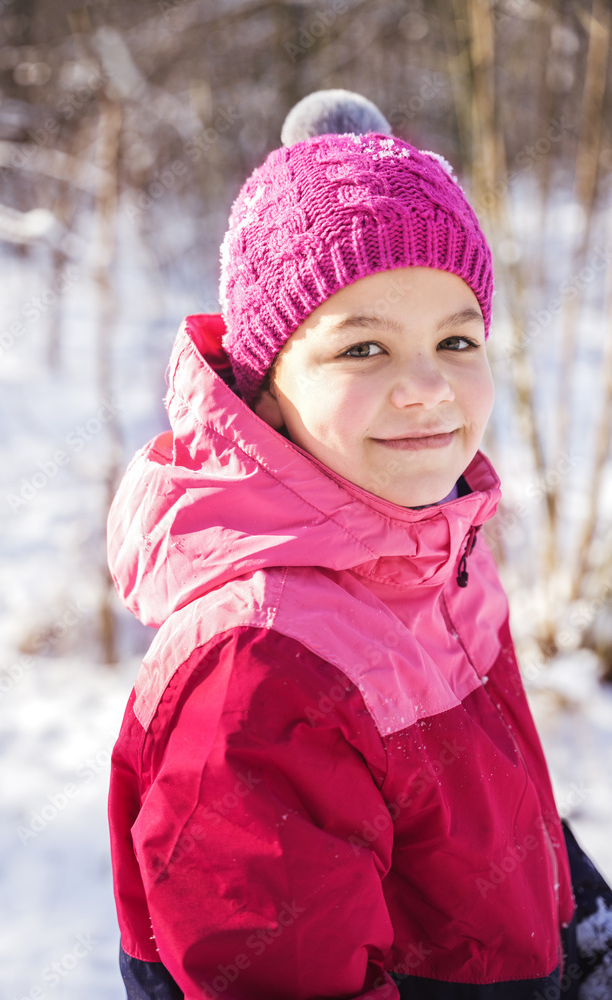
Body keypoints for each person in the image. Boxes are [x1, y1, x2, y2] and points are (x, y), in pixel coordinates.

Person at [106, 91, 606, 1000]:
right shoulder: (259, 671)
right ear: (265, 390)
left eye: (455, 339)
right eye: (362, 350)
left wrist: (581, 925)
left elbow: (485, 815)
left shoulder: (435, 544)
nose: (427, 387)